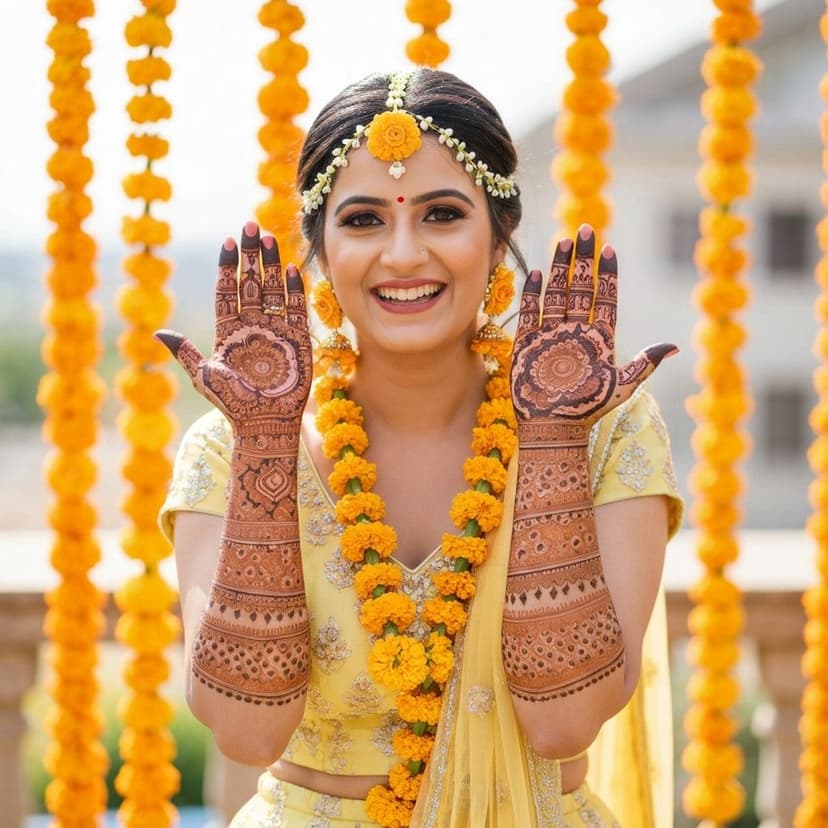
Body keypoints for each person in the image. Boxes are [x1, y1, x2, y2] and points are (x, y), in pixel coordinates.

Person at [157, 68, 684, 827]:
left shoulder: (603, 430)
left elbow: (562, 725)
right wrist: (268, 453)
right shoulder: (233, 444)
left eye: (442, 214)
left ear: (499, 234)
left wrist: (553, 450)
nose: (403, 254)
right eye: (364, 220)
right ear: (321, 249)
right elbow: (245, 732)